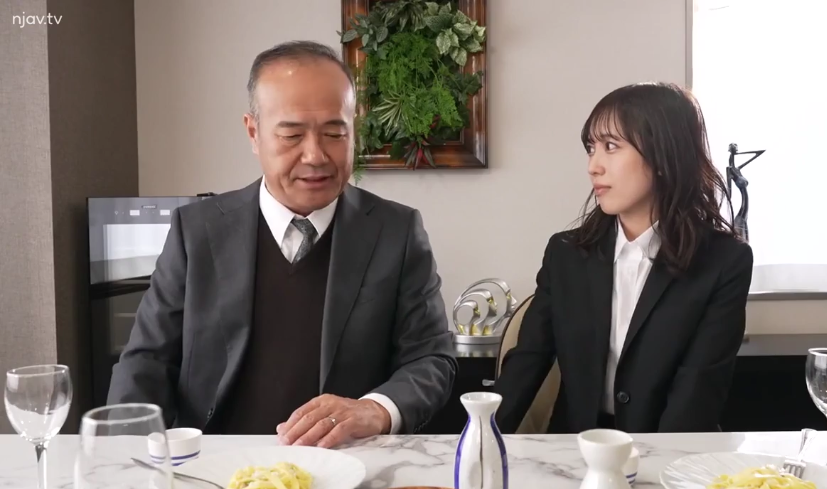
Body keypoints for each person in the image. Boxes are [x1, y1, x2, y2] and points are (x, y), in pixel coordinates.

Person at [108, 40, 457, 448]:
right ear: (253, 132)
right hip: (217, 470)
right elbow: (146, 362)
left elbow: (431, 359)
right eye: (292, 135)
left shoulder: (395, 231)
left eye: (334, 133)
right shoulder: (196, 231)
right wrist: (125, 460)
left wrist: (375, 409)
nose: (315, 155)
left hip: (350, 464)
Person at [494, 82, 754, 434]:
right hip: (575, 450)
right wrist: (477, 442)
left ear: (663, 155)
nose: (593, 166)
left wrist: (653, 465)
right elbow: (527, 363)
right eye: (591, 148)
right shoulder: (566, 253)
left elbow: (697, 395)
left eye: (611, 147)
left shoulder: (724, 261)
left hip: (672, 450)